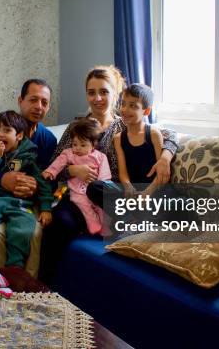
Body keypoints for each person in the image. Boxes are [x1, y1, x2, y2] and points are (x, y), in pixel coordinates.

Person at [39, 65, 178, 283]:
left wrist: (165, 158)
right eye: (91, 92)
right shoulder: (77, 127)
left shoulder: (126, 123)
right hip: (77, 198)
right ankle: (44, 287)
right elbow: (54, 167)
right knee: (59, 223)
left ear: (115, 95)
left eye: (104, 92)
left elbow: (171, 135)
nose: (97, 98)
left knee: (105, 193)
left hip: (111, 196)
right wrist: (72, 170)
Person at [0, 79, 57, 276]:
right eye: (33, 100)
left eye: (44, 102)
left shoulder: (48, 140)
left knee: (33, 233)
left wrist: (35, 188)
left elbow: (50, 182)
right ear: (21, 101)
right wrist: (2, 179)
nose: (38, 106)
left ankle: (24, 283)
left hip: (25, 203)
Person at [42, 118, 111, 235]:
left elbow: (105, 175)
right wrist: (50, 172)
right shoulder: (69, 153)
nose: (77, 148)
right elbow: (58, 163)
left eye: (83, 145)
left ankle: (107, 227)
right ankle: (94, 226)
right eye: (74, 144)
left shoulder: (100, 157)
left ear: (93, 145)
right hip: (77, 192)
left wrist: (99, 186)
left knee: (100, 208)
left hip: (94, 190)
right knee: (86, 208)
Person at [113, 83, 164, 197]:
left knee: (181, 203)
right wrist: (128, 187)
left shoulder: (154, 134)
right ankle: (132, 212)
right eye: (123, 104)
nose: (125, 109)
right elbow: (123, 173)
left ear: (146, 111)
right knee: (95, 187)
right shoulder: (118, 138)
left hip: (153, 191)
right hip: (132, 191)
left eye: (133, 106)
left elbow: (161, 172)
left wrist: (148, 193)